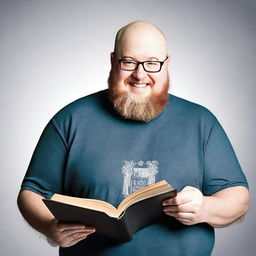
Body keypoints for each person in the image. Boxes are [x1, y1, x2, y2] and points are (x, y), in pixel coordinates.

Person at [17, 21, 249, 256]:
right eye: (128, 62)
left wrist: (205, 209)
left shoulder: (201, 121)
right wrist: (50, 227)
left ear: (166, 64)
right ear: (113, 61)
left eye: (152, 63)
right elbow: (32, 193)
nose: (140, 74)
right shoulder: (70, 119)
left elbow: (237, 197)